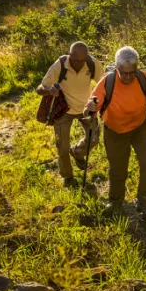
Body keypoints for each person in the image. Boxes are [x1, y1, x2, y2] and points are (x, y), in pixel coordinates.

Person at [84, 46, 146, 218]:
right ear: (117, 69)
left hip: (142, 126)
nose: (128, 77)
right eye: (124, 73)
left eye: (132, 72)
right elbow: (90, 110)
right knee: (118, 169)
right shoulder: (107, 82)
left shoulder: (142, 78)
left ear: (136, 69)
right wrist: (90, 109)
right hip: (115, 131)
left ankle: (144, 201)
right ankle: (116, 202)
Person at [37, 42, 103, 187]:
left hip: (86, 107)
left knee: (94, 139)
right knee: (62, 147)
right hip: (64, 110)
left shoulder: (92, 64)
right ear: (70, 55)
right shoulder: (60, 65)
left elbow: (103, 85)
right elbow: (40, 88)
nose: (79, 64)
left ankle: (77, 152)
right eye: (75, 60)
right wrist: (49, 91)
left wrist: (98, 102)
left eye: (82, 60)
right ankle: (68, 177)